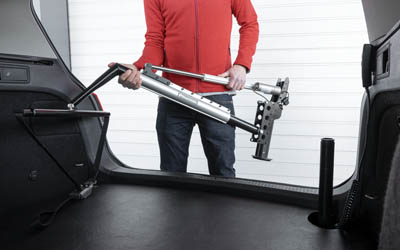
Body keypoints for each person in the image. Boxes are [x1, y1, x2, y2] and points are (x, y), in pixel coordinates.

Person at [109, 0, 259, 177]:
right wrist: (138, 69)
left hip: (217, 96)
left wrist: (241, 64)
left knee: (223, 173)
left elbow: (249, 23)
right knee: (171, 175)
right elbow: (155, 40)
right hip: (173, 96)